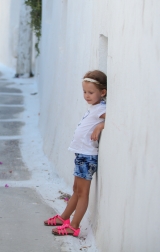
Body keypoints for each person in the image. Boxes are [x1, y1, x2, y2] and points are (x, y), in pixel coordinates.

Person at [44, 70, 107, 236]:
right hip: (81, 154)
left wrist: (100, 126)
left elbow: (114, 117)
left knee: (83, 193)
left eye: (91, 92)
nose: (86, 95)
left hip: (88, 156)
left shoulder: (101, 108)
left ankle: (74, 225)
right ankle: (64, 217)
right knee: (75, 189)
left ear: (103, 92)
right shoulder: (94, 107)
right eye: (85, 92)